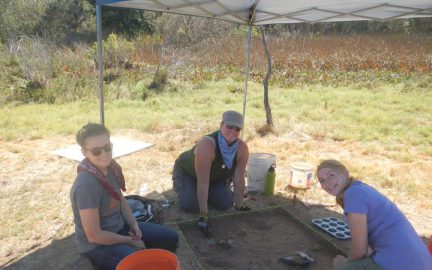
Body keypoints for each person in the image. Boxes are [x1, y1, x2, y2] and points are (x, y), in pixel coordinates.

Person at [70, 123, 179, 270]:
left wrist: (133, 224)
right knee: (141, 265)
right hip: (97, 246)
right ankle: (107, 263)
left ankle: (138, 251)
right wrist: (129, 241)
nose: (104, 154)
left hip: (120, 228)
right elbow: (94, 236)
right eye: (96, 151)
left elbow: (120, 199)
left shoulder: (110, 168)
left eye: (107, 147)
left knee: (172, 238)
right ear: (84, 152)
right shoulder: (86, 186)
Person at [316, 159, 432, 270]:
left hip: (399, 263)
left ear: (345, 173)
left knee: (339, 264)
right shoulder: (359, 188)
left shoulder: (353, 194)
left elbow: (360, 250)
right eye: (322, 180)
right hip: (421, 262)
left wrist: (346, 265)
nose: (327, 182)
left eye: (331, 175)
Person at [172, 110, 250, 233]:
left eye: (237, 129)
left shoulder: (242, 148)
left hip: (215, 177)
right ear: (221, 125)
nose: (233, 132)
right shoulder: (207, 145)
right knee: (191, 206)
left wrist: (239, 206)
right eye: (229, 127)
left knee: (225, 203)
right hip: (189, 173)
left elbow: (239, 179)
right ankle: (195, 193)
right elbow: (202, 182)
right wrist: (204, 215)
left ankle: (208, 195)